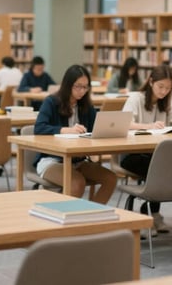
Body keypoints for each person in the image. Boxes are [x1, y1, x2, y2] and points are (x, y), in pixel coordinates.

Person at [33, 65, 116, 204]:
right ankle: (62, 219)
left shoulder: (86, 106)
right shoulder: (51, 102)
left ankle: (92, 216)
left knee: (110, 178)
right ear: (68, 85)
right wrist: (65, 130)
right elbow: (39, 128)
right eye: (78, 86)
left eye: (85, 87)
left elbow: (96, 128)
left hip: (78, 160)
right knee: (77, 183)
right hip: (52, 160)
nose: (82, 91)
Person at [120, 65, 172, 235]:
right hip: (131, 154)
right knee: (159, 167)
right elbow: (125, 123)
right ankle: (148, 214)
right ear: (150, 82)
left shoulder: (167, 102)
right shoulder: (136, 98)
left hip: (155, 154)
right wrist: (148, 126)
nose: (164, 91)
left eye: (168, 88)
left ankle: (152, 213)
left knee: (165, 164)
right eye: (160, 87)